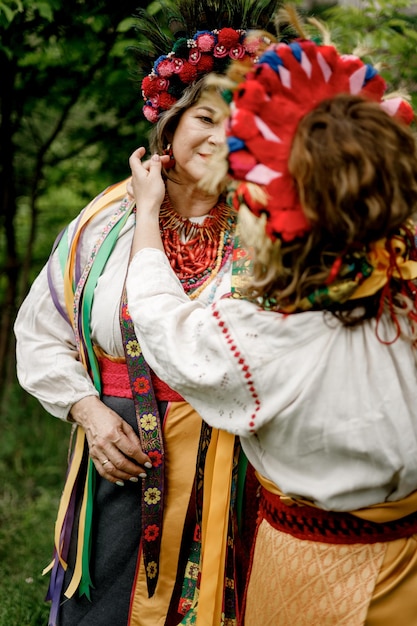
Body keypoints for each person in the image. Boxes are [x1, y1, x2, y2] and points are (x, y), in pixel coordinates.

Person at [125, 31, 417, 626]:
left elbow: (166, 327)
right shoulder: (404, 277)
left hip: (314, 565)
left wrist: (146, 221)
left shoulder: (264, 329)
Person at [14, 2, 279, 625]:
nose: (218, 137)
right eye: (204, 118)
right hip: (122, 448)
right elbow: (40, 333)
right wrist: (90, 415)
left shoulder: (271, 227)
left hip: (238, 462)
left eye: (238, 123)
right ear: (170, 124)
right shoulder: (104, 220)